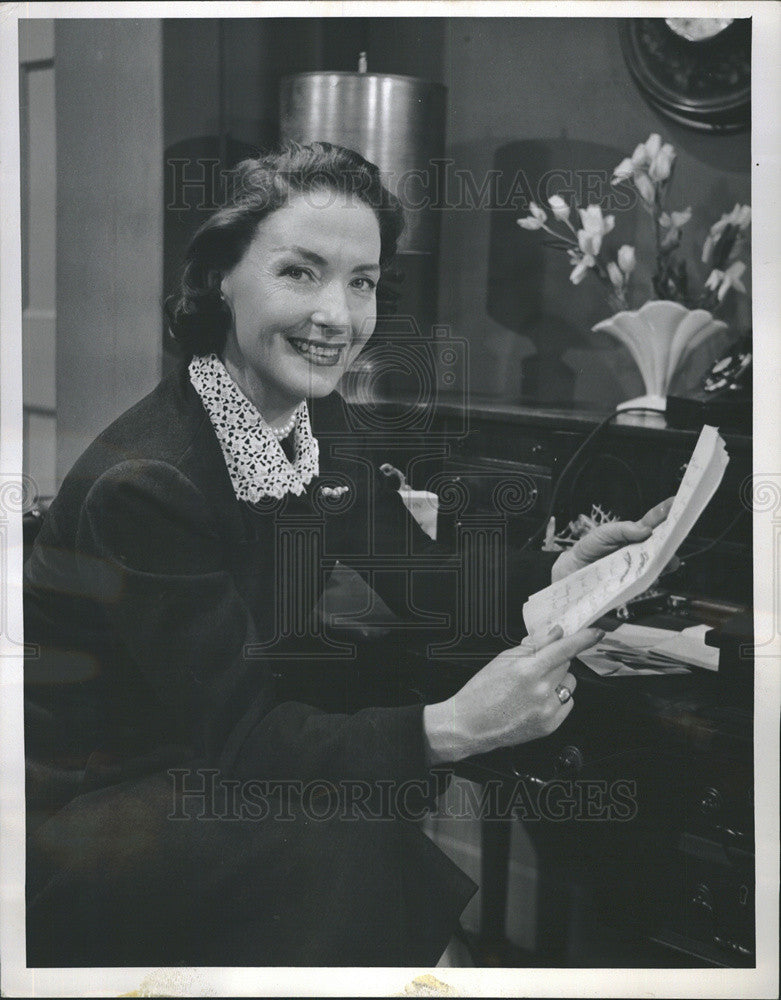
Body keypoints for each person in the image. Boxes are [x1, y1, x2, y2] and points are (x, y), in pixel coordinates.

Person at [23, 141, 672, 968]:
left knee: (360, 831)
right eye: (300, 272)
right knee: (350, 837)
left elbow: (425, 579)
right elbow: (246, 741)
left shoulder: (313, 420)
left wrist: (561, 570)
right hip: (91, 819)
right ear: (221, 276)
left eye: (361, 282)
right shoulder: (149, 480)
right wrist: (452, 728)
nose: (339, 315)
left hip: (210, 770)